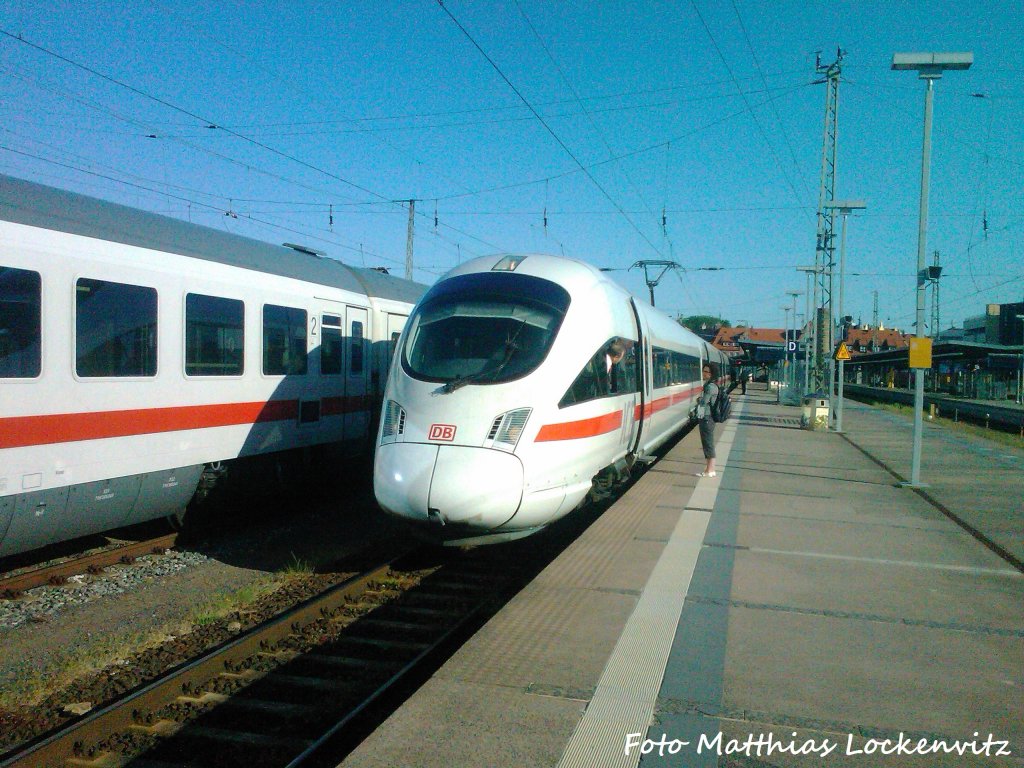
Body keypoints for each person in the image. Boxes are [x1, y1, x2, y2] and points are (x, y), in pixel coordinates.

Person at [695, 362, 719, 477]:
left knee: (708, 443)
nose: (703, 373)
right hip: (708, 417)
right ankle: (710, 469)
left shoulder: (710, 386)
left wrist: (699, 400)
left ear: (711, 374)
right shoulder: (712, 385)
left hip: (707, 417)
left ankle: (710, 470)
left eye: (706, 372)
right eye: (703, 371)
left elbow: (704, 402)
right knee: (708, 442)